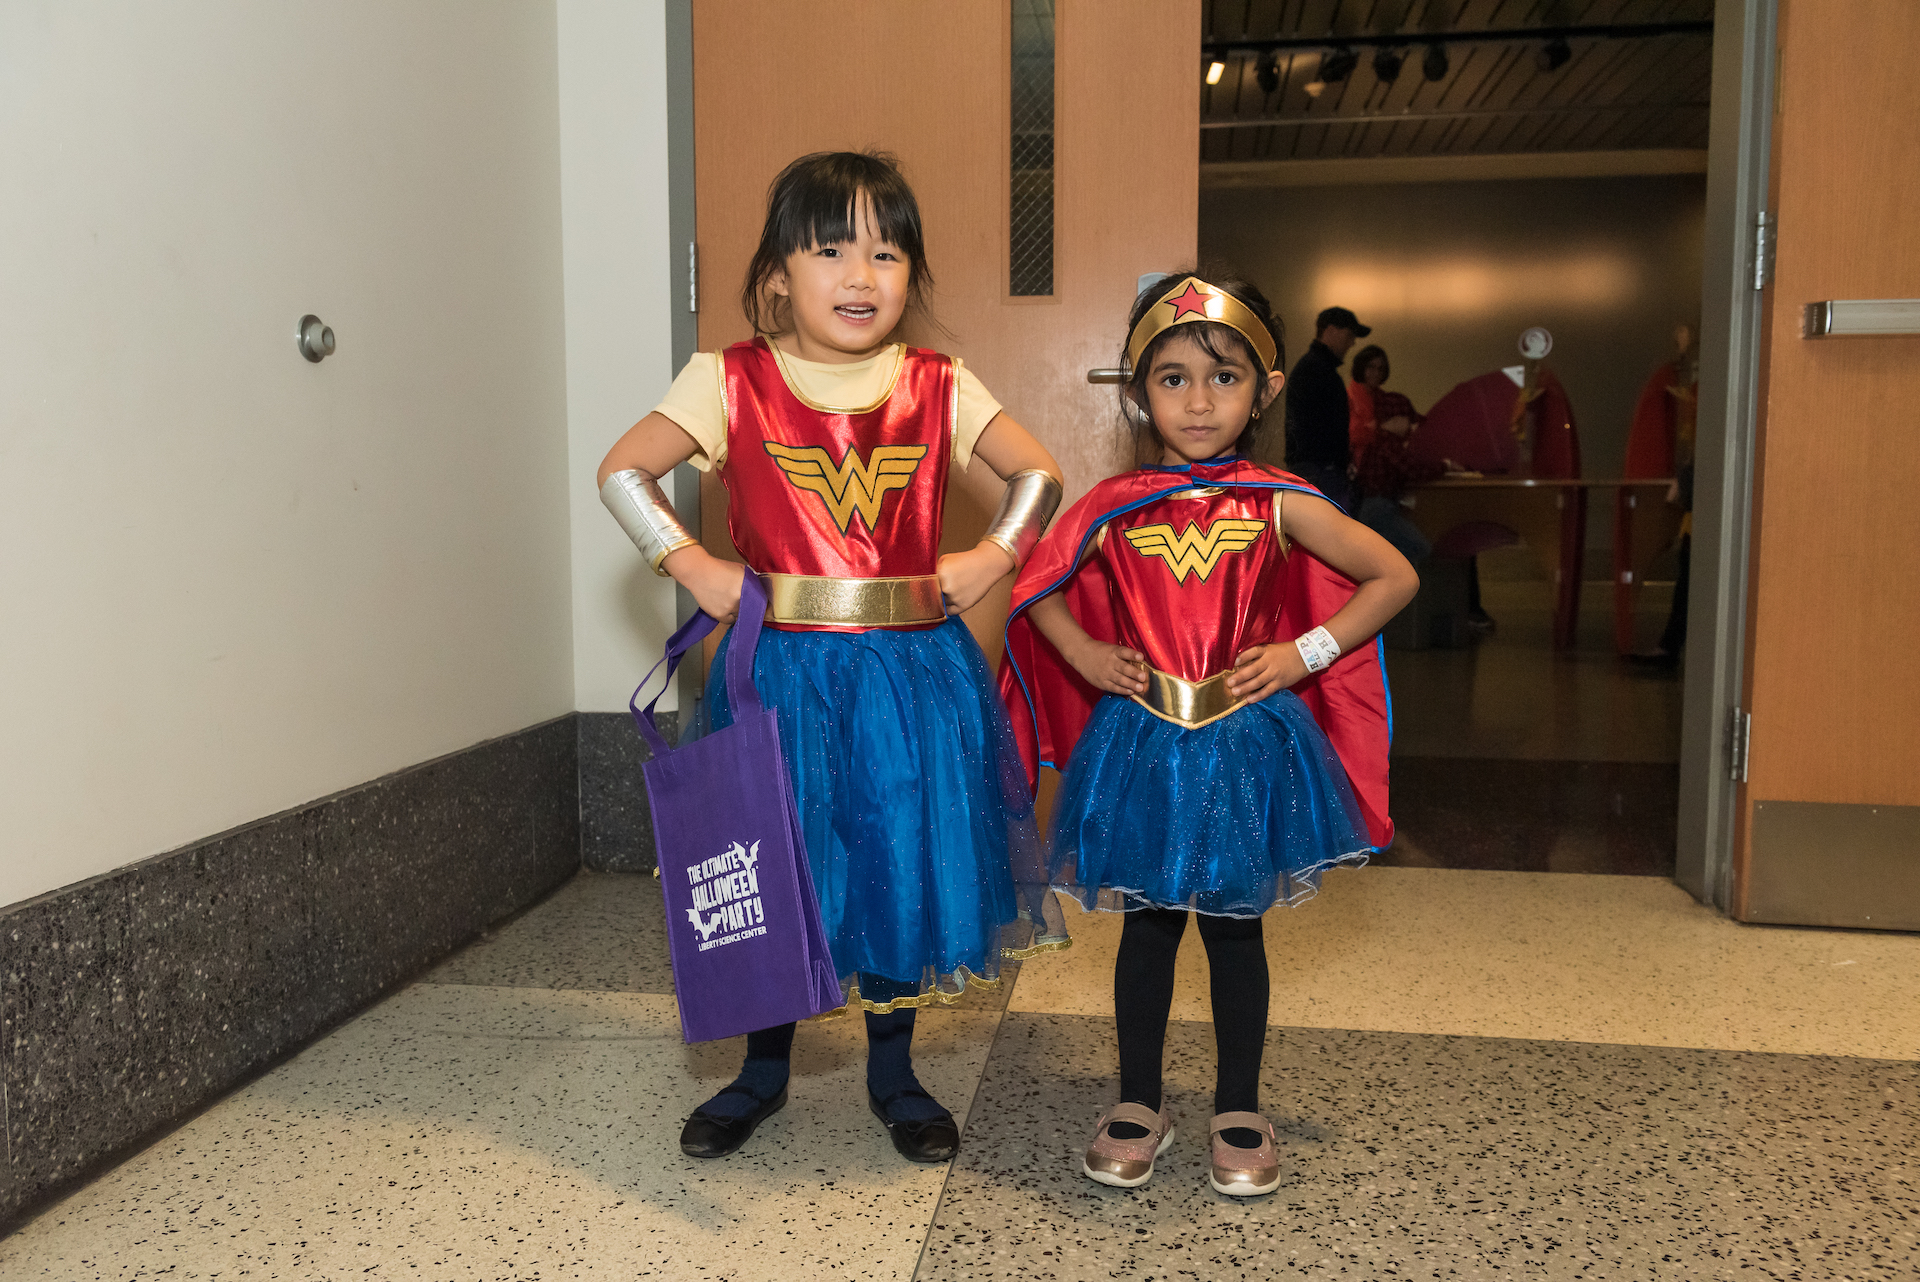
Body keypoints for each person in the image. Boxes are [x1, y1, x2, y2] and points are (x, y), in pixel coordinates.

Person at [596, 151, 1069, 1165]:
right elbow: (624, 471)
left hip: (911, 676)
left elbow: (1037, 475)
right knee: (780, 855)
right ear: (779, 274)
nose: (862, 274)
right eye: (832, 249)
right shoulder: (728, 379)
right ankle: (762, 1070)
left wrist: (991, 556)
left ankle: (893, 1071)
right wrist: (694, 564)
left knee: (898, 852)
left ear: (913, 276)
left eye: (889, 253)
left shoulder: (940, 384)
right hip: (780, 673)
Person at [998, 274, 1416, 1196]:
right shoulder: (1116, 501)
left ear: (1264, 391)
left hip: (1242, 744)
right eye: (1174, 379)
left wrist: (1306, 653)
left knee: (1235, 931)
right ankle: (1140, 1099)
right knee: (1146, 929)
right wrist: (1085, 651)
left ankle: (1239, 1102)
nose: (1197, 401)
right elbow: (1034, 584)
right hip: (1142, 746)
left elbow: (1391, 577)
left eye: (1223, 379)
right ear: (1137, 391)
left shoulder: (1279, 499)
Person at [1346, 344, 1445, 566]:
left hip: (1371, 495)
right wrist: (1445, 465)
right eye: (1371, 367)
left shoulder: (1378, 404)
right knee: (1414, 551)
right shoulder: (1356, 402)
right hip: (1368, 493)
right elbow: (1354, 435)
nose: (1375, 373)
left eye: (1380, 369)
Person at [1284, 304, 1371, 510]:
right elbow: (1326, 429)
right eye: (1349, 335)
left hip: (1315, 469)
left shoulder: (1312, 368)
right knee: (1332, 534)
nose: (1352, 343)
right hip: (1322, 471)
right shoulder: (1318, 371)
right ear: (1331, 331)